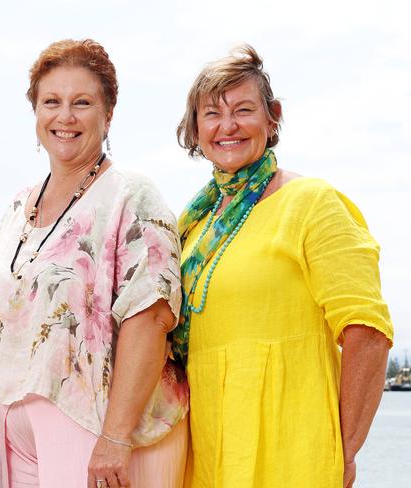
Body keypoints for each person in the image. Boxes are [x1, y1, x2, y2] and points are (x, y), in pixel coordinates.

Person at [173, 44, 393, 488]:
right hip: (207, 451)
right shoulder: (192, 224)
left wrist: (342, 451)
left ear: (272, 117)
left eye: (243, 109)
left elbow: (367, 333)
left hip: (292, 450)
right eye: (212, 113)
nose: (228, 126)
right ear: (195, 129)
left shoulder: (312, 203)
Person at [0, 39, 189, 488]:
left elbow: (150, 317)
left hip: (92, 422)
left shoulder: (131, 194)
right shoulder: (17, 206)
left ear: (108, 114)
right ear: (35, 113)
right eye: (51, 101)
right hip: (13, 425)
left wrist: (115, 437)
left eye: (82, 102)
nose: (65, 116)